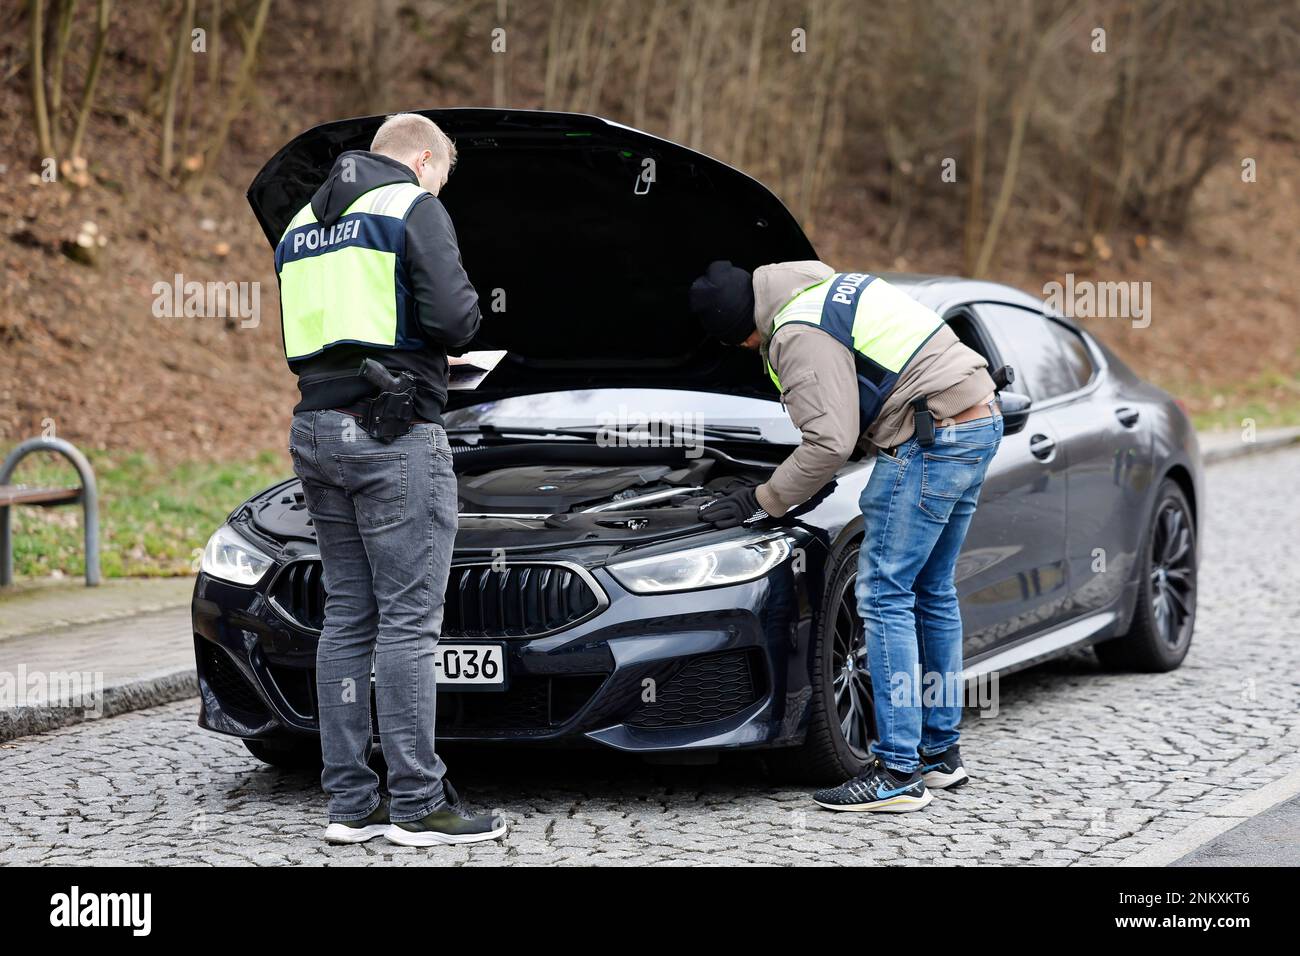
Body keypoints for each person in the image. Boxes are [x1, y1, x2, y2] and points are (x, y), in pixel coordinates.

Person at [690, 260, 1003, 813]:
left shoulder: (794, 332)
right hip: (976, 421)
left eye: (741, 344)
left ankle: (898, 772)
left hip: (932, 439)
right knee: (931, 590)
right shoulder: (826, 288)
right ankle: (939, 755)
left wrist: (763, 499)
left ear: (743, 332)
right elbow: (863, 404)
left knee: (883, 594)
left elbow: (830, 442)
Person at [276, 112, 506, 845]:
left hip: (317, 428)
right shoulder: (412, 204)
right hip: (392, 432)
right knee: (409, 619)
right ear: (426, 157)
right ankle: (417, 803)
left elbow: (319, 334)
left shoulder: (299, 224)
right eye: (444, 173)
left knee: (347, 617)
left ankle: (351, 804)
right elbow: (456, 320)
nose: (442, 185)